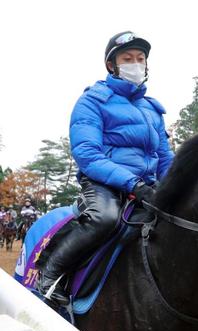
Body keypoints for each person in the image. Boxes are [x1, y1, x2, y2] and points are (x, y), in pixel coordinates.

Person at [36, 31, 174, 305]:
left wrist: (177, 187)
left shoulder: (152, 110)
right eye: (128, 58)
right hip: (103, 183)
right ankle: (50, 275)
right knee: (105, 218)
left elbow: (165, 156)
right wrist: (133, 184)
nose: (136, 64)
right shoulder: (92, 101)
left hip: (147, 185)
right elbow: (87, 154)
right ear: (112, 65)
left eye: (140, 58)